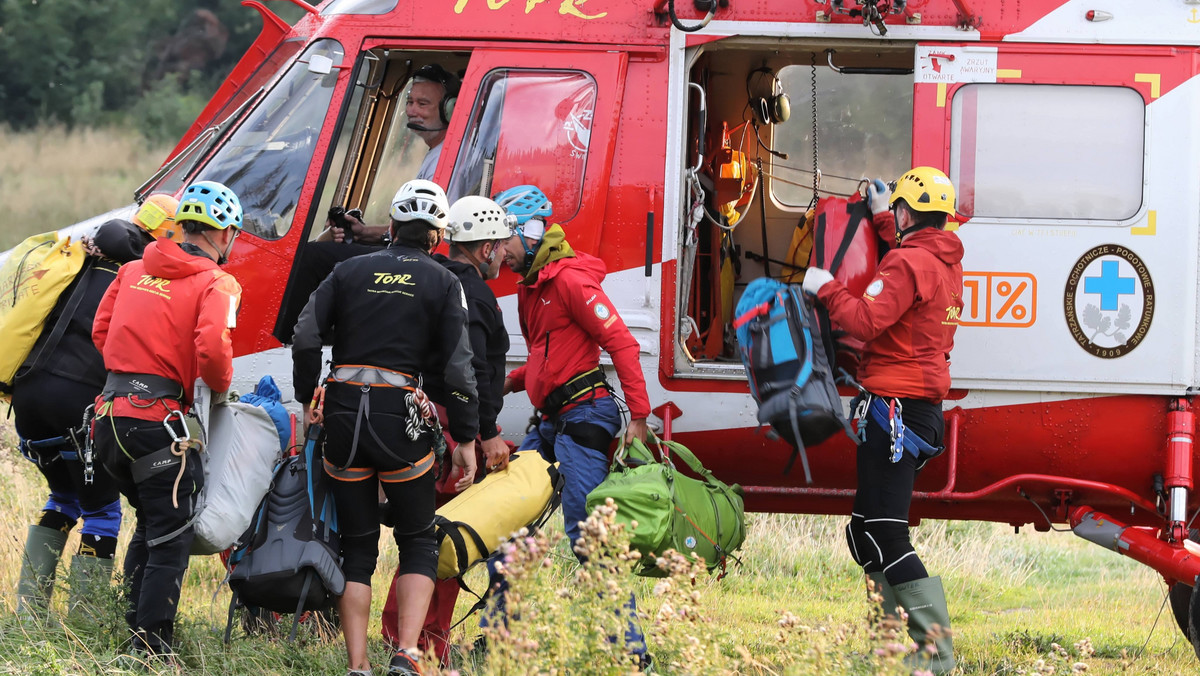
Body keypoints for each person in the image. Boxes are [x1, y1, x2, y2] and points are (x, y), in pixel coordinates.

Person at [291, 179, 479, 676]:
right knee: (418, 539)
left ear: (391, 228)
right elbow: (460, 370)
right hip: (402, 418)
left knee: (358, 545)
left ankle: (357, 667)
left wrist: (307, 393)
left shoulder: (348, 269)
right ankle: (406, 655)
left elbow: (305, 334)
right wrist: (463, 436)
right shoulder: (445, 282)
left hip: (344, 412)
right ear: (437, 238)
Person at [801, 166, 963, 674]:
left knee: (887, 534)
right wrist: (881, 217)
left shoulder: (907, 264)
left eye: (898, 209)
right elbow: (911, 258)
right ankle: (891, 649)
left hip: (895, 412)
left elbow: (866, 320)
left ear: (907, 212)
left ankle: (935, 655)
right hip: (914, 412)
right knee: (864, 532)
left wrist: (825, 287)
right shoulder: (941, 260)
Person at [492, 184, 650, 665]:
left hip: (585, 416)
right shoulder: (533, 288)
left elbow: (621, 343)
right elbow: (549, 356)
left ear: (531, 232)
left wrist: (639, 418)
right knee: (508, 514)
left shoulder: (569, 283)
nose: (497, 251)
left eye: (504, 239)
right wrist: (512, 382)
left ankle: (628, 650)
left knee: (586, 533)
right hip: (553, 418)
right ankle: (501, 635)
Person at [91, 181, 244, 661]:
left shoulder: (133, 269)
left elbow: (101, 331)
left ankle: (130, 627)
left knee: (151, 523)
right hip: (160, 423)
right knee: (171, 538)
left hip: (109, 417)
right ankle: (151, 651)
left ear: (182, 227)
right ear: (226, 234)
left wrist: (133, 371)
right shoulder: (217, 282)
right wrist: (215, 386)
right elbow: (214, 349)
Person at [13, 195, 180, 623]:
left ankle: (29, 616)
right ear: (166, 234)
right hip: (80, 404)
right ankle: (85, 623)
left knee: (63, 495)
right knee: (103, 510)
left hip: (30, 395)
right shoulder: (144, 276)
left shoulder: (83, 258)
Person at [378, 195, 513, 663]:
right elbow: (471, 370)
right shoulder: (473, 295)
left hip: (415, 420)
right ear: (488, 247)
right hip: (453, 431)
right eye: (501, 245)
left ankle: (408, 634)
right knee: (444, 538)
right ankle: (423, 642)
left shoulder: (431, 280)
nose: (505, 253)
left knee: (424, 532)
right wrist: (484, 432)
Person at [276, 64, 461, 343]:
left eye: (423, 104)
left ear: (449, 110)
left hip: (416, 258)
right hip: (410, 251)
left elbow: (425, 227)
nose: (412, 110)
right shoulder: (436, 154)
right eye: (410, 102)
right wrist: (363, 233)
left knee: (311, 257)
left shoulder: (447, 158)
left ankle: (290, 340)